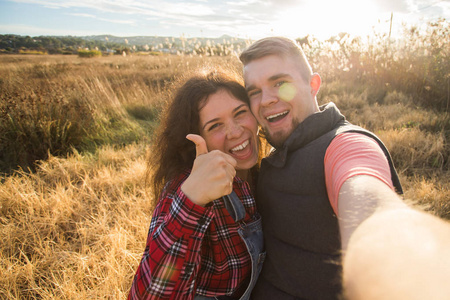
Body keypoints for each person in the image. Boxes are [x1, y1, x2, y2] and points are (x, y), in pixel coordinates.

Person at [239, 36, 450, 300]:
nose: (266, 100)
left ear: (313, 84)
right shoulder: (274, 149)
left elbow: (369, 202)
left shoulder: (344, 144)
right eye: (254, 92)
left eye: (280, 83)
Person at [128, 68, 266, 300]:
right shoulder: (185, 188)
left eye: (240, 113)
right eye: (215, 126)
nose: (235, 131)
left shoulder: (264, 169)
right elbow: (149, 295)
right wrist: (192, 199)